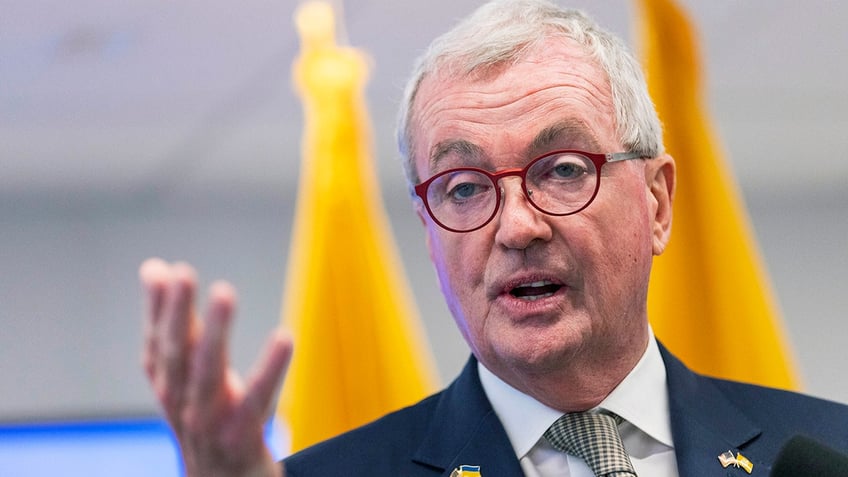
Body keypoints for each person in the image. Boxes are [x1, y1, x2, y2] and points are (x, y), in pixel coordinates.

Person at [139, 1, 848, 476]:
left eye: (564, 170)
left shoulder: (825, 453)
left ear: (657, 202)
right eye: (465, 187)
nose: (516, 226)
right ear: (429, 233)